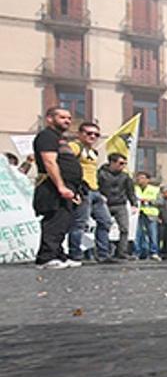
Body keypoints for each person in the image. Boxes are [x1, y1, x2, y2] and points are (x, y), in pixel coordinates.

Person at [31, 107, 83, 269]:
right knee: (54, 221)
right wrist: (60, 186)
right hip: (51, 186)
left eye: (69, 118)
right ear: (49, 119)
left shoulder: (60, 139)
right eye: (62, 117)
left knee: (63, 221)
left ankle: (58, 254)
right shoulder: (46, 136)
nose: (67, 121)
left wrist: (75, 190)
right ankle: (46, 258)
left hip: (67, 186)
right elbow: (49, 162)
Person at [66, 122, 114, 263]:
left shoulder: (94, 151)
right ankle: (75, 254)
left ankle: (103, 254)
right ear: (79, 134)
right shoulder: (74, 147)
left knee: (105, 221)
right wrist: (74, 189)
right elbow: (65, 165)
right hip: (83, 190)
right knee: (79, 223)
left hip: (95, 191)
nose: (92, 136)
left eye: (96, 134)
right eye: (88, 133)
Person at [97, 153, 138, 260]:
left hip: (120, 204)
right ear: (112, 162)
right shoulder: (101, 174)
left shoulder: (125, 176)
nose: (123, 166)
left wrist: (134, 204)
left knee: (124, 229)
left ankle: (122, 252)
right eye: (121, 163)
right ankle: (103, 252)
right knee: (103, 226)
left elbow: (130, 191)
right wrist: (99, 197)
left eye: (125, 163)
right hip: (105, 204)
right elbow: (96, 187)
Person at [133, 171, 163, 261]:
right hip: (137, 213)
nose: (139, 180)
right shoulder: (134, 188)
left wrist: (149, 201)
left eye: (142, 178)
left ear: (147, 180)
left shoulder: (155, 189)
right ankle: (137, 252)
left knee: (152, 234)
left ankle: (153, 252)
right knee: (137, 234)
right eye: (138, 178)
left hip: (151, 214)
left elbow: (161, 202)